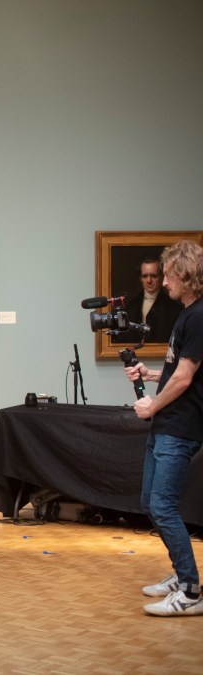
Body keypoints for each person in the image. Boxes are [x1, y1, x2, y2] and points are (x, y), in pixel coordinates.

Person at [124, 240, 203, 616]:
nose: (164, 281)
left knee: (163, 506)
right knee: (150, 504)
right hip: (165, 424)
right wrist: (151, 373)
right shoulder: (187, 314)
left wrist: (152, 404)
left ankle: (190, 592)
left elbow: (185, 379)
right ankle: (180, 574)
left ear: (185, 275)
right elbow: (179, 370)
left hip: (180, 426)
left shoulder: (200, 315)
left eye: (168, 274)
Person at [114, 254, 183, 344]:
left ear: (161, 277)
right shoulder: (131, 306)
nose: (149, 280)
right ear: (140, 278)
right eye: (145, 276)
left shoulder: (174, 309)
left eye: (153, 276)